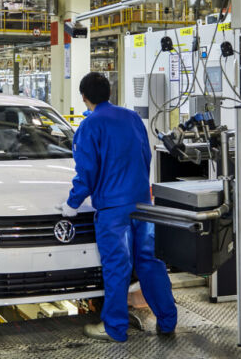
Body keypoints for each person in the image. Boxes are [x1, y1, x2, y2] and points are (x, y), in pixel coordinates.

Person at [58, 72, 177, 342]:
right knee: (150, 262)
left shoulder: (90, 126)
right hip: (142, 204)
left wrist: (72, 203)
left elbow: (87, 171)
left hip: (113, 210)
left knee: (117, 266)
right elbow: (145, 155)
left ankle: (114, 327)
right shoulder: (132, 118)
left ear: (84, 97)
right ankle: (168, 321)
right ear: (109, 93)